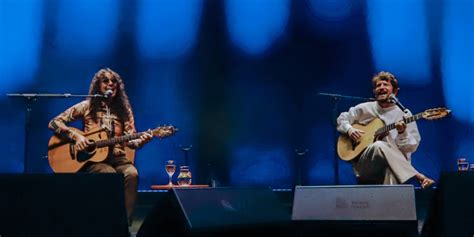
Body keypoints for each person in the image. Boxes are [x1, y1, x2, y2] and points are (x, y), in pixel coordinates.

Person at [48, 68, 153, 224]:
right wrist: (77, 137)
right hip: (93, 160)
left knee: (132, 174)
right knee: (108, 174)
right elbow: (54, 122)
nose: (111, 84)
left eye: (114, 81)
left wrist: (141, 141)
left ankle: (124, 223)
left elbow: (131, 140)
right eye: (106, 81)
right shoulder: (87, 106)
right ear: (98, 86)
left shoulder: (124, 111)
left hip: (118, 159)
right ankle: (105, 222)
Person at [336, 71, 434, 189]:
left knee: (391, 169)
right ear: (374, 92)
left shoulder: (404, 115)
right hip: (364, 164)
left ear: (395, 91)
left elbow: (411, 147)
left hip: (395, 166)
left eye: (385, 85)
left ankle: (392, 206)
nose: (381, 88)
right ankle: (419, 177)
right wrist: (349, 130)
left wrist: (402, 133)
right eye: (378, 85)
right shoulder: (365, 108)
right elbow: (342, 119)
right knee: (379, 145)